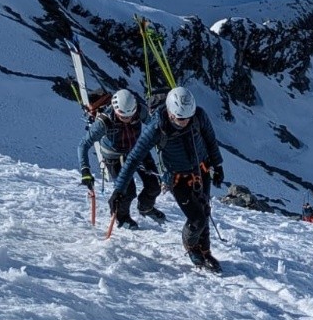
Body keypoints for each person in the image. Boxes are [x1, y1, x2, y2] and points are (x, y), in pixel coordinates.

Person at [112, 85, 224, 270]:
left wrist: (217, 165)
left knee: (204, 211)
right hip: (178, 178)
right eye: (180, 118)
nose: (185, 122)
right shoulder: (156, 128)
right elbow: (133, 159)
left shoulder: (198, 115)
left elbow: (210, 139)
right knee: (197, 219)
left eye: (188, 117)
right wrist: (119, 189)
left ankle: (205, 251)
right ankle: (191, 248)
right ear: (171, 113)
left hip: (202, 170)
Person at [78, 89, 164, 229]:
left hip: (137, 150)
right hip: (114, 157)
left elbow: (154, 123)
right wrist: (85, 170)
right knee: (127, 191)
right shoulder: (104, 121)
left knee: (154, 185)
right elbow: (84, 144)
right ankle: (120, 217)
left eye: (130, 116)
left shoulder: (139, 111)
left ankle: (145, 207)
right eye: (123, 117)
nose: (128, 119)